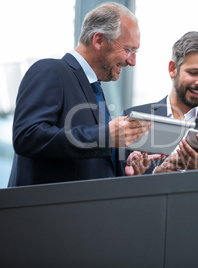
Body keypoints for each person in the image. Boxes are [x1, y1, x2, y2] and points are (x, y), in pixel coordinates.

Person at [8, 3, 159, 187]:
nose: (132, 61)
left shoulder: (96, 90)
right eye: (129, 49)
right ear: (99, 41)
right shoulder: (50, 70)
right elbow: (27, 136)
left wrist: (124, 168)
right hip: (47, 213)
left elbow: (91, 159)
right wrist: (105, 136)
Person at [123, 31, 198, 174]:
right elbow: (116, 182)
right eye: (193, 73)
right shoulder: (133, 119)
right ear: (172, 69)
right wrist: (156, 173)